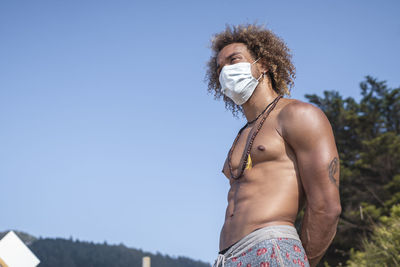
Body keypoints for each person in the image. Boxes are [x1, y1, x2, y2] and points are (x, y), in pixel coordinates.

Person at [205, 24, 341, 267]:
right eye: (220, 67)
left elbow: (326, 206)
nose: (226, 71)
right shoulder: (243, 134)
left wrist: (296, 261)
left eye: (234, 60)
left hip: (273, 249)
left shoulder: (297, 115)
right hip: (227, 258)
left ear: (263, 64)